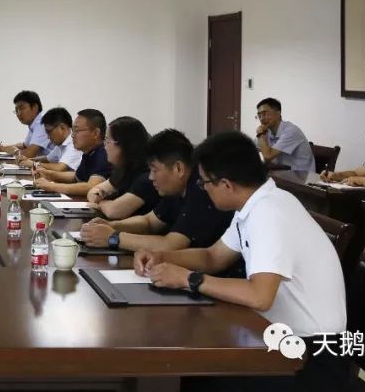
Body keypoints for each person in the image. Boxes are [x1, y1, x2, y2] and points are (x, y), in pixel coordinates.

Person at [135, 131, 351, 391]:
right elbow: (213, 256)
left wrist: (188, 279)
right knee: (196, 365)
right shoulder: (255, 204)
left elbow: (260, 296)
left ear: (226, 185)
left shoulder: (269, 213)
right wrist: (161, 256)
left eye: (204, 183)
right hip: (278, 334)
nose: (203, 189)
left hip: (311, 355)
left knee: (199, 371)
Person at [80, 129, 232, 253]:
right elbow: (149, 222)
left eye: (155, 170)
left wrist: (113, 237)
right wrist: (111, 225)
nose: (151, 177)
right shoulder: (175, 188)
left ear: (178, 168)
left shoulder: (201, 189)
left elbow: (171, 245)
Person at [87, 116, 159, 219]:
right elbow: (93, 191)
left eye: (108, 141)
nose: (105, 147)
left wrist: (101, 202)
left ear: (125, 145)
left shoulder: (146, 176)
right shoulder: (123, 169)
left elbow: (113, 211)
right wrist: (101, 198)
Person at [33, 109, 112, 196]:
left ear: (95, 133)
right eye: (73, 130)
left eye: (77, 130)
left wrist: (52, 186)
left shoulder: (104, 153)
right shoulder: (89, 152)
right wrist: (49, 174)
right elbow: (76, 177)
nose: (72, 135)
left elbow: (92, 187)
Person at [255, 98, 315, 173]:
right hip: (282, 173)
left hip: (302, 176)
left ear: (278, 113)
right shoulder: (266, 131)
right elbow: (252, 151)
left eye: (264, 114)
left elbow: (267, 156)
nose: (262, 119)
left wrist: (260, 134)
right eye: (259, 115)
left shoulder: (291, 131)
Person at [19, 107, 82, 172]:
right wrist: (29, 160)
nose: (48, 137)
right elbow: (47, 158)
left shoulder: (74, 144)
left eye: (49, 132)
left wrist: (34, 164)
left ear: (62, 128)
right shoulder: (61, 144)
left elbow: (59, 168)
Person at [0, 90, 51, 158]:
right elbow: (25, 145)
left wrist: (12, 150)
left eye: (22, 108)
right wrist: (3, 147)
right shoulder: (34, 125)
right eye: (16, 110)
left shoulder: (41, 123)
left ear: (35, 107)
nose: (19, 113)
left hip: (53, 164)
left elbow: (30, 154)